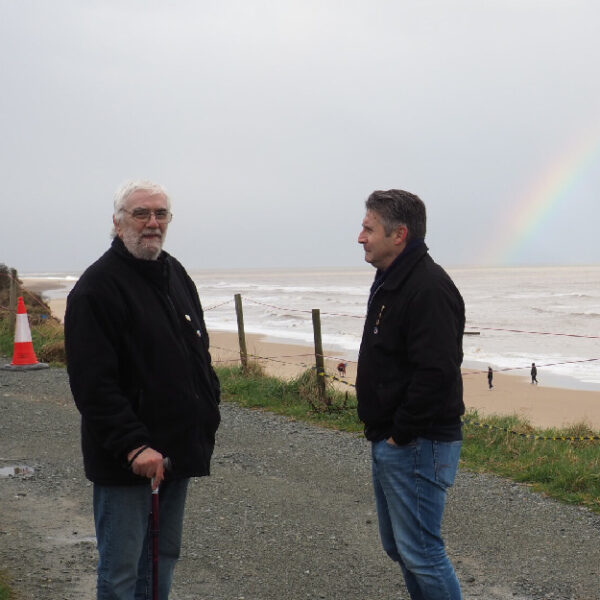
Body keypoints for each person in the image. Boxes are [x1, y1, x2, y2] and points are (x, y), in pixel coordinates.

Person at [64, 181, 221, 600]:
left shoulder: (174, 273)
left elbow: (196, 351)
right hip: (127, 461)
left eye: (161, 214)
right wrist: (133, 447)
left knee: (162, 559)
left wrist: (207, 410)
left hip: (176, 452)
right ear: (117, 223)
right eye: (141, 214)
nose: (152, 223)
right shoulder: (96, 289)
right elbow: (92, 384)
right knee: (121, 572)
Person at [356, 189, 464, 600]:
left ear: (399, 234)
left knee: (421, 552)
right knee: (400, 547)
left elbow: (436, 372)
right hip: (395, 440)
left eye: (369, 228)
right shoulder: (391, 280)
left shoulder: (428, 287)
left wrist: (401, 432)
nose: (360, 237)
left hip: (419, 442)